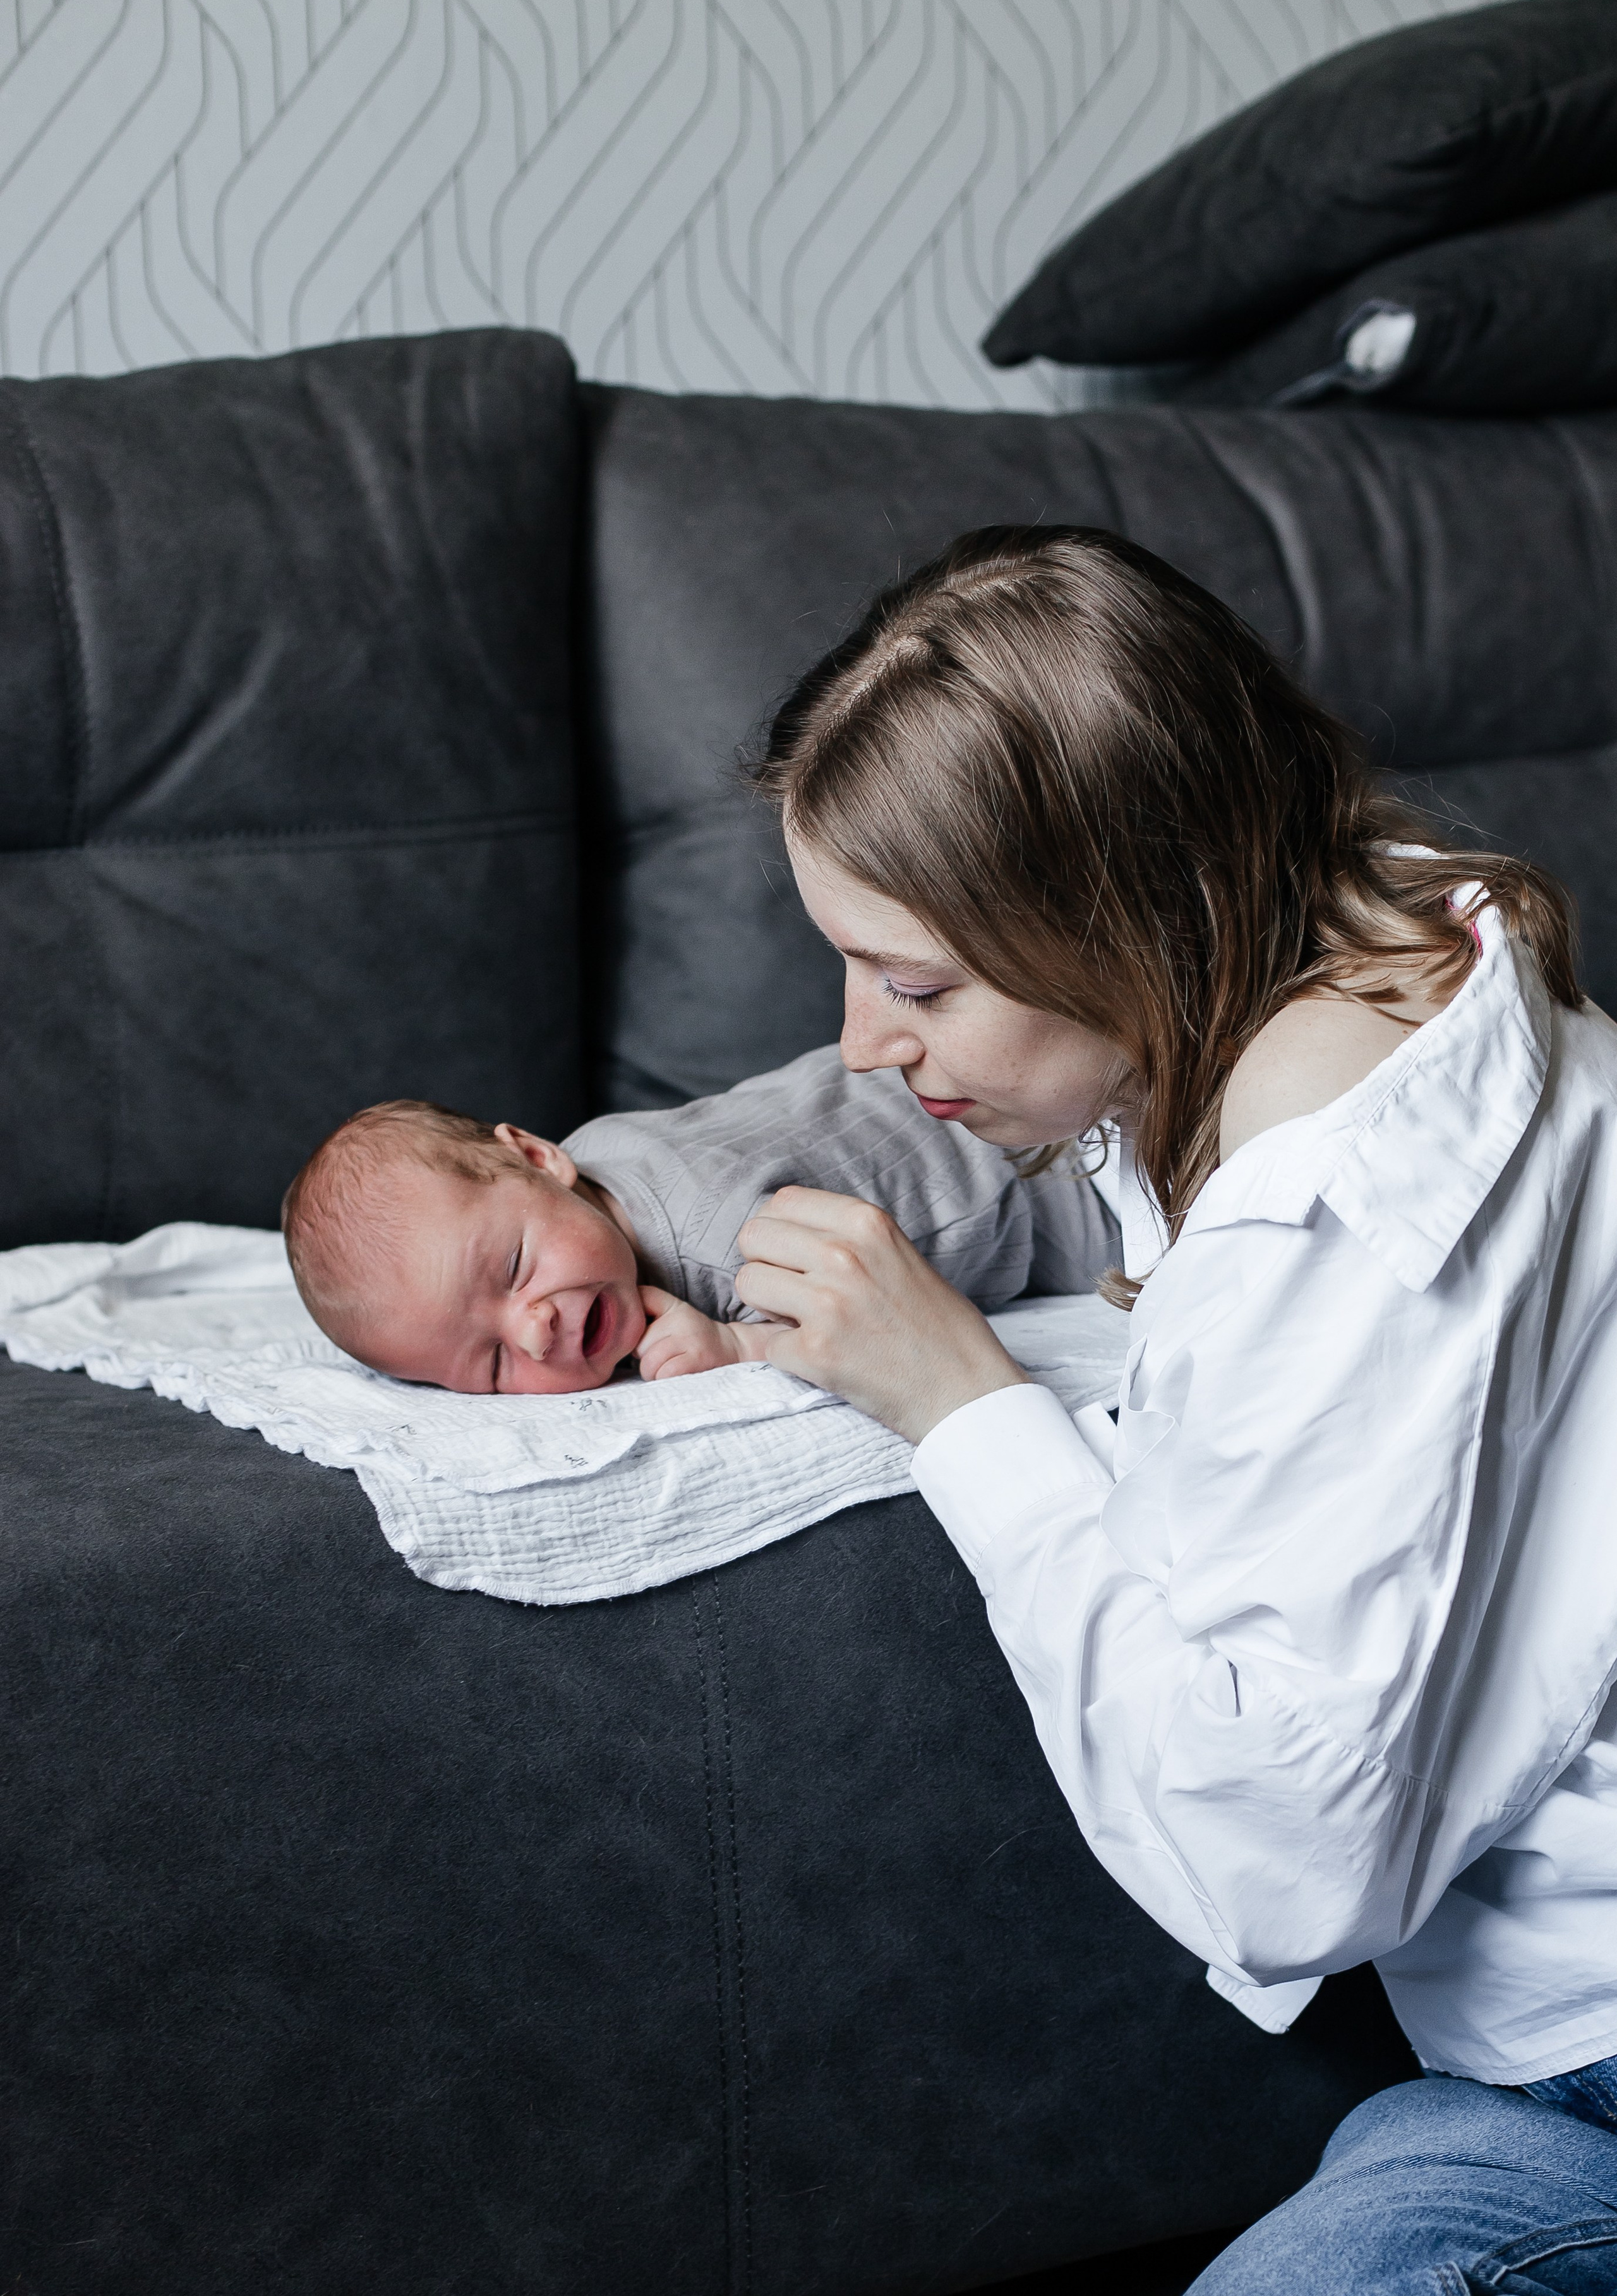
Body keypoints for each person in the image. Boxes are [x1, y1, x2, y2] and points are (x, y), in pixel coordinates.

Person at [730, 524, 1617, 2291]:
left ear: (1127, 908)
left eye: (916, 984)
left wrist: (966, 1409)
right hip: (1521, 2082)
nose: (862, 1046)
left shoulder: (1336, 1211)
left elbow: (1284, 1864)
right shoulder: (1377, 949)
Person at [278, 1042, 1116, 1393]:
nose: (534, 1333)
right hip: (957, 1082)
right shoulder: (588, 1168)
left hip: (1053, 1179)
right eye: (493, 1367)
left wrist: (735, 1345)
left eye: (512, 1271)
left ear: (538, 1158)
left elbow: (865, 1329)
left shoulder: (720, 1251)